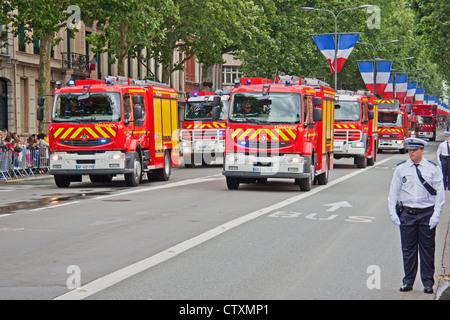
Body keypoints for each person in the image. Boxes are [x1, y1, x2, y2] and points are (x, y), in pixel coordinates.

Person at [388, 137, 445, 294]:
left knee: (427, 250)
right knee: (408, 250)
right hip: (407, 214)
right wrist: (393, 212)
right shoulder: (401, 169)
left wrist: (436, 215)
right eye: (409, 149)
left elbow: (440, 194)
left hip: (426, 213)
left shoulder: (433, 169)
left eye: (414, 150)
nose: (411, 152)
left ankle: (427, 282)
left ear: (421, 150)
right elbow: (393, 192)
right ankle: (408, 281)